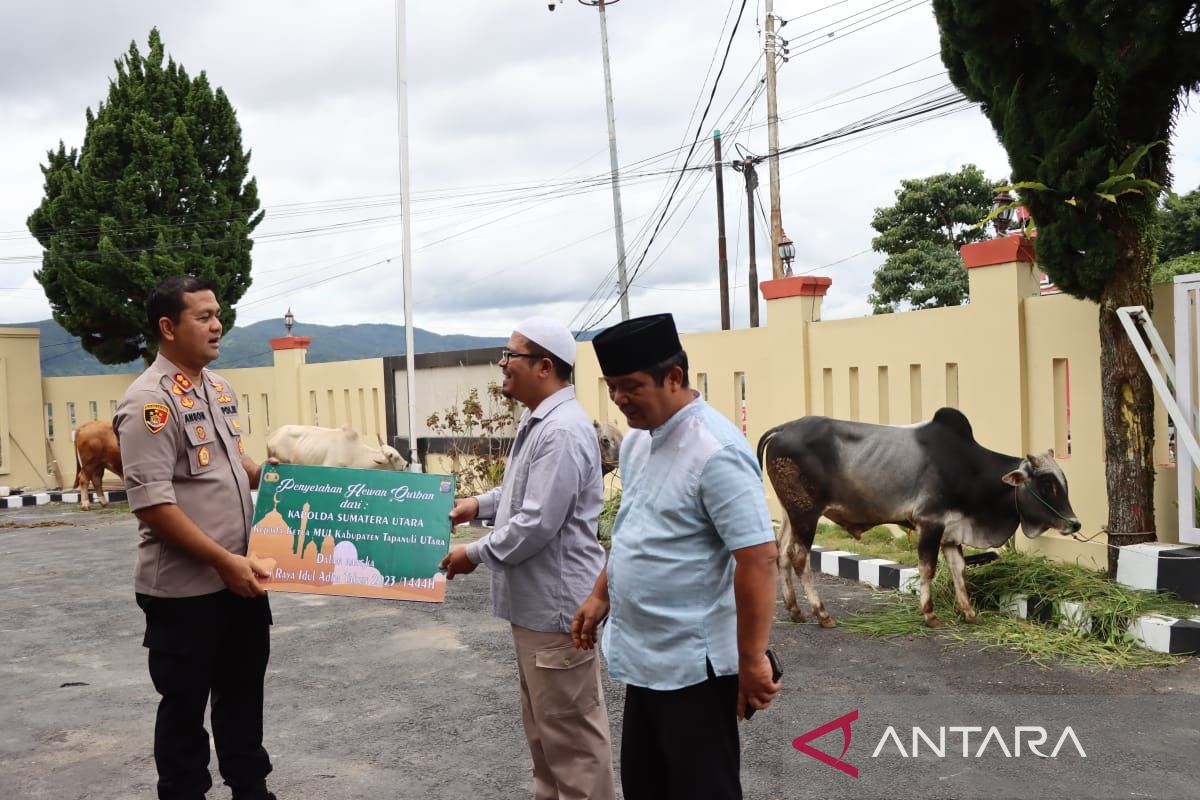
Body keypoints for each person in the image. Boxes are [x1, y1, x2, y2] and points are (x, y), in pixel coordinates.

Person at [571, 313, 780, 800]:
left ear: (674, 378)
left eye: (631, 386)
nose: (619, 399)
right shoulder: (639, 442)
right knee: (647, 787)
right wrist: (601, 594)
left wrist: (751, 659)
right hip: (645, 658)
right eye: (612, 387)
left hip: (695, 667)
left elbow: (758, 558)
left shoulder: (716, 450)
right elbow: (634, 532)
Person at [114, 275, 276, 800]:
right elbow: (154, 505)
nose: (217, 324)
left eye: (217, 313)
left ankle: (251, 790)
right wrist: (224, 561)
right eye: (202, 316)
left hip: (242, 578)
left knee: (243, 697)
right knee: (184, 709)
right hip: (185, 591)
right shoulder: (148, 403)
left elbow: (233, 463)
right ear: (167, 327)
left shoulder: (218, 388)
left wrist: (279, 477)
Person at [440, 316, 615, 800]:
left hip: (557, 611)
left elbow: (537, 522)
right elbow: (520, 493)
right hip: (537, 610)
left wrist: (473, 553)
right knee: (546, 740)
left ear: (543, 366)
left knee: (573, 746)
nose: (502, 363)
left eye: (510, 355)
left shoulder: (560, 430)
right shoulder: (538, 420)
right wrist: (479, 505)